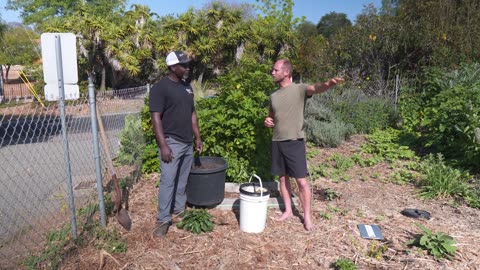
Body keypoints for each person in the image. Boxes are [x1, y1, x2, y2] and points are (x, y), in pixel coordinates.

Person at [264, 59, 343, 231]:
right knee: (283, 178)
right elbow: (271, 115)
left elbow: (316, 88)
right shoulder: (273, 96)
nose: (272, 72)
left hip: (295, 142)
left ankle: (307, 217)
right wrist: (268, 121)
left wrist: (329, 84)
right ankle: (288, 211)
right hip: (277, 141)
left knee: (301, 181)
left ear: (286, 72)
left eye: (275, 70)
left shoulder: (299, 89)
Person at [149, 51, 203, 237]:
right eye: (184, 65)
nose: (187, 67)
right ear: (173, 67)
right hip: (171, 142)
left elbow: (192, 113)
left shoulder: (187, 87)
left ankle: (179, 210)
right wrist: (163, 145)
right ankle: (163, 219)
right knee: (168, 181)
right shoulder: (160, 88)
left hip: (187, 142)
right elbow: (156, 118)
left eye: (188, 64)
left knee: (182, 180)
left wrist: (197, 137)